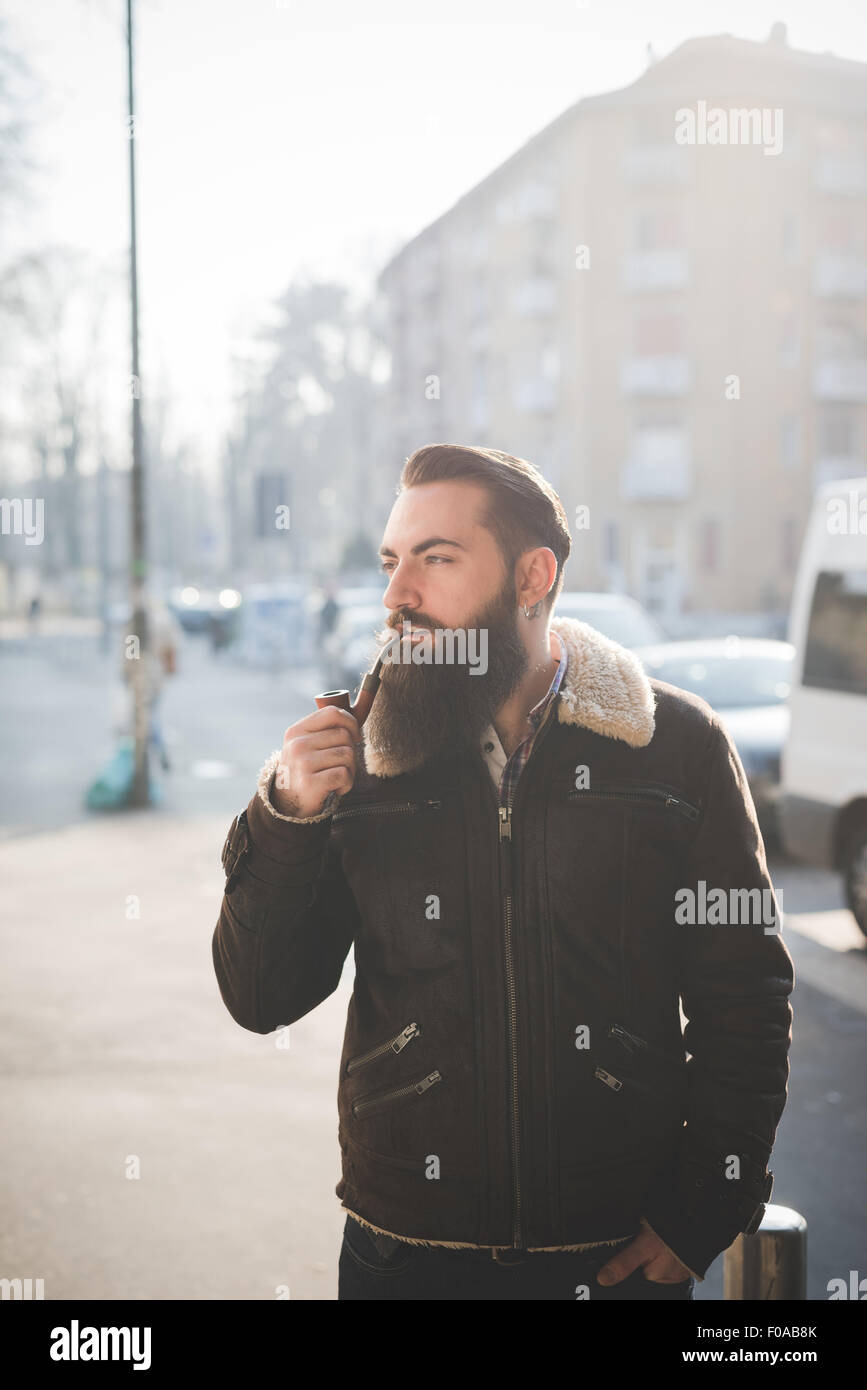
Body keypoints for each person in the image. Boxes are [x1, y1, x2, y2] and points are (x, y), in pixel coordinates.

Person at [213, 444, 794, 1301]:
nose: (395, 595)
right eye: (391, 561)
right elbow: (261, 999)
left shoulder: (675, 746)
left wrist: (705, 1206)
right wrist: (287, 820)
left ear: (532, 577)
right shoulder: (358, 753)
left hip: (615, 1253)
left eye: (435, 559)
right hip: (404, 1252)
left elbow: (744, 997)